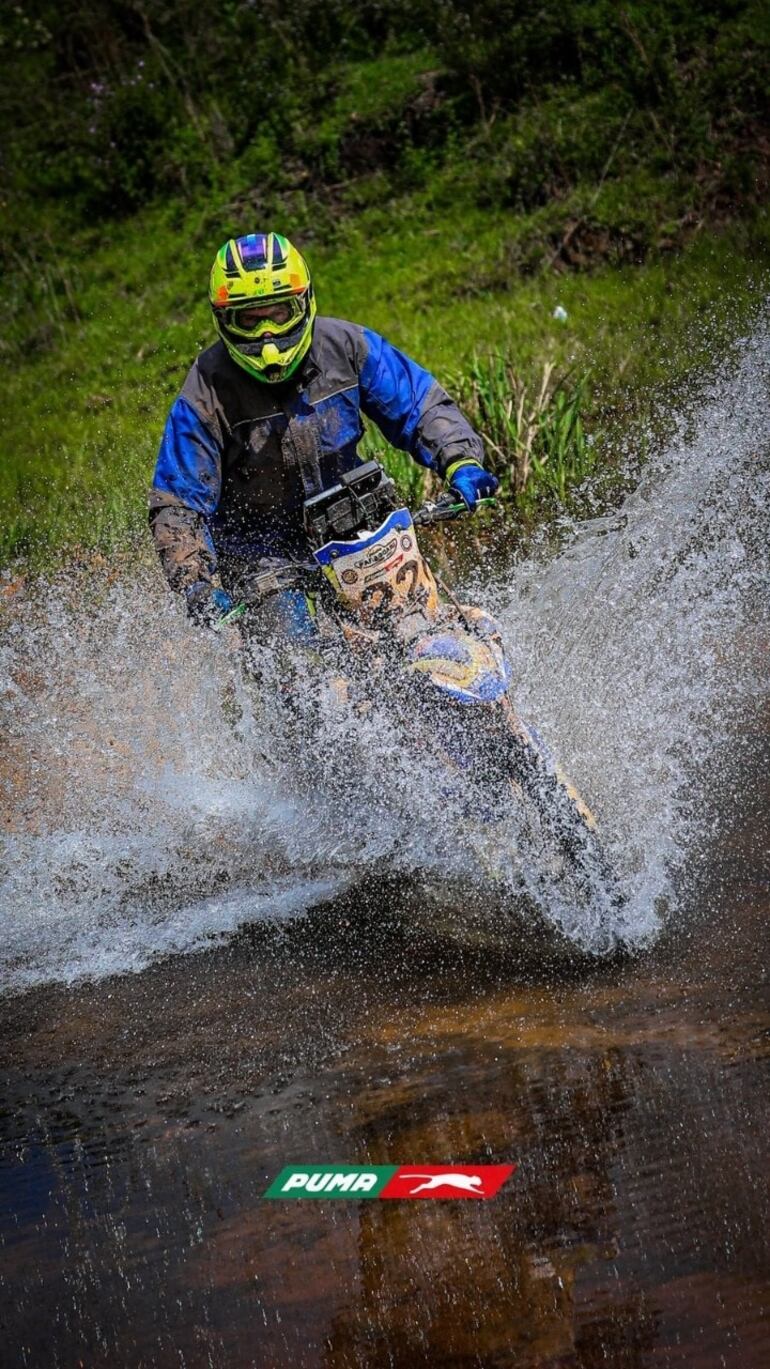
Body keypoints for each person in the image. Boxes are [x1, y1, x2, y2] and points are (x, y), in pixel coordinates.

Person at [149, 232, 498, 636]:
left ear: (303, 302)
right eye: (249, 318)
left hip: (357, 532)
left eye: (278, 313)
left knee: (422, 629)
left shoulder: (348, 346)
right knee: (299, 665)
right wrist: (195, 583)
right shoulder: (205, 390)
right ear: (225, 320)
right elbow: (177, 503)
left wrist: (461, 459)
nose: (266, 334)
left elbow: (419, 405)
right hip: (264, 563)